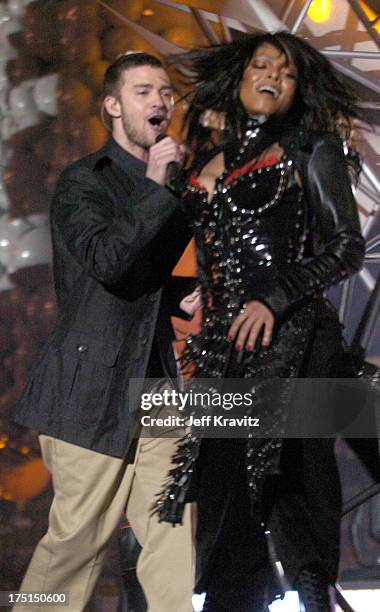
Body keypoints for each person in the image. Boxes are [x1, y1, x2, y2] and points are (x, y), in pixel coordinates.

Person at [155, 32, 367, 611]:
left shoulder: (311, 150)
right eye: (262, 64)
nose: (273, 74)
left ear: (298, 90)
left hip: (294, 333)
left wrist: (274, 299)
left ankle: (312, 594)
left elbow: (347, 248)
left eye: (288, 71)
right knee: (223, 491)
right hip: (224, 348)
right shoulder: (204, 163)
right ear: (240, 76)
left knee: (286, 470)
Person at [13, 52, 195, 612]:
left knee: (170, 534)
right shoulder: (82, 183)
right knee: (77, 544)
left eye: (166, 92)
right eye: (144, 91)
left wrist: (179, 292)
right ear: (113, 106)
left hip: (157, 382)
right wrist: (159, 184)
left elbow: (138, 283)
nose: (160, 102)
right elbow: (106, 262)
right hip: (90, 389)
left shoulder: (169, 186)